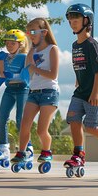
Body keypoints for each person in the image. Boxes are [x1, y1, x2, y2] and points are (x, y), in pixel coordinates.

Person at [63, 4, 98, 172]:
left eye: (77, 18)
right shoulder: (75, 45)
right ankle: (78, 154)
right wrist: (77, 80)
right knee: (73, 119)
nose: (73, 22)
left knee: (91, 126)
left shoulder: (91, 44)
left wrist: (95, 93)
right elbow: (79, 66)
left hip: (95, 92)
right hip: (80, 92)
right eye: (70, 19)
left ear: (86, 20)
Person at [10, 18, 59, 169]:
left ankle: (46, 151)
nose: (30, 35)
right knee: (24, 125)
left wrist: (33, 68)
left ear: (44, 32)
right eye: (28, 32)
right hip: (33, 92)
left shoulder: (52, 49)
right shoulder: (31, 51)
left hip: (49, 92)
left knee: (41, 130)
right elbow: (27, 74)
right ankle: (22, 152)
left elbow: (53, 75)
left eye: (33, 32)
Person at [0, 29, 31, 166]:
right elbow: (3, 75)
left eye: (12, 43)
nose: (9, 45)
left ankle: (28, 148)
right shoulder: (4, 57)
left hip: (22, 89)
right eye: (7, 43)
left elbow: (26, 76)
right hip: (9, 89)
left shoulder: (25, 57)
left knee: (21, 119)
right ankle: (4, 149)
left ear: (20, 44)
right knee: (2, 117)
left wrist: (12, 76)